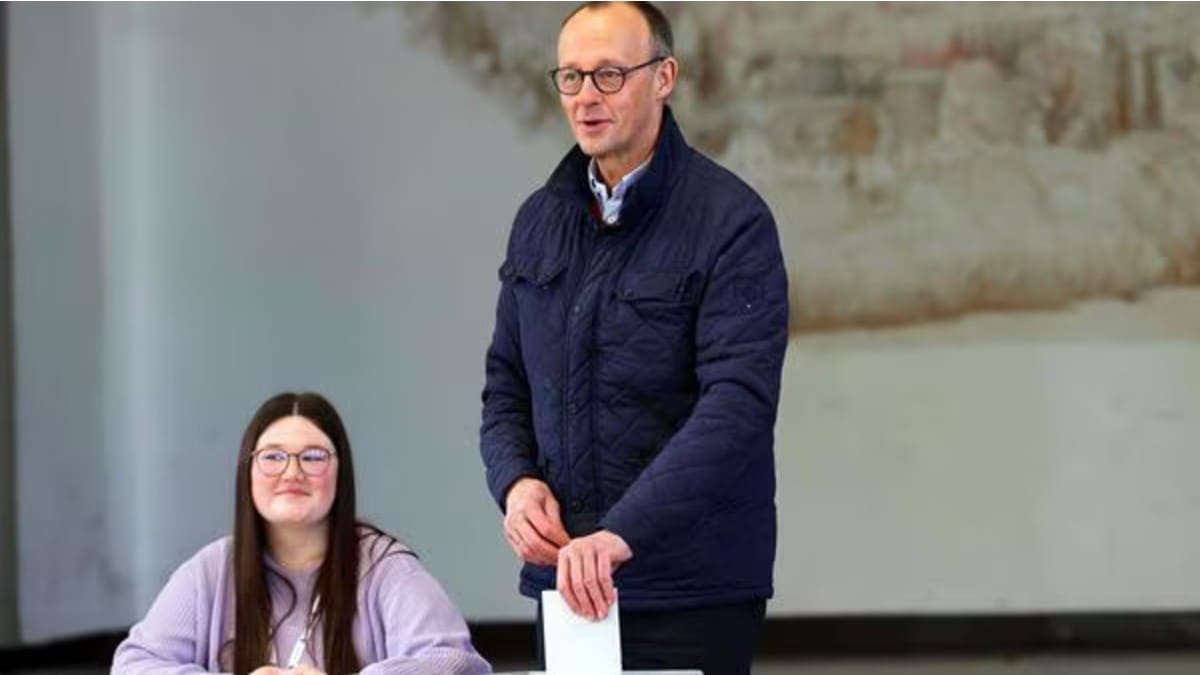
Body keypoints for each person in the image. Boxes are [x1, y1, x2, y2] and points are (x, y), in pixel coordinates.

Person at [479, 2, 788, 673]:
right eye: (571, 78)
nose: (587, 97)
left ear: (664, 76)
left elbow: (736, 406)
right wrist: (515, 482)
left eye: (610, 75)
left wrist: (623, 533)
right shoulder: (539, 220)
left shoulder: (731, 222)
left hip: (690, 588)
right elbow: (505, 381)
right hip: (565, 581)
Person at [113, 392, 491, 675]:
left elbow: (457, 663)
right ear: (248, 473)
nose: (292, 472)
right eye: (273, 457)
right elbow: (133, 665)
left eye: (312, 457)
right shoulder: (212, 570)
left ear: (340, 474)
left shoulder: (385, 568)